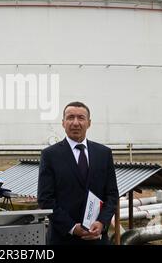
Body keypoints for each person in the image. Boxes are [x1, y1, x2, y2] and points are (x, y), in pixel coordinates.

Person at [37, 101, 118, 245]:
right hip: (63, 239)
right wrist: (72, 227)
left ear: (89, 123)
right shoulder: (50, 155)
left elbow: (112, 195)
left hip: (97, 238)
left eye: (81, 118)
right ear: (63, 123)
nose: (75, 122)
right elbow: (45, 199)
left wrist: (101, 223)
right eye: (70, 117)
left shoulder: (104, 153)